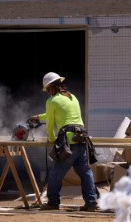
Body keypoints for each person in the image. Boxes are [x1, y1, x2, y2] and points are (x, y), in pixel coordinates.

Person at [28, 72, 98, 212]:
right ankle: (91, 202)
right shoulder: (72, 97)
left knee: (55, 173)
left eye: (47, 89)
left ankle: (53, 202)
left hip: (68, 142)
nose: (47, 92)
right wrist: (39, 117)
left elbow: (50, 124)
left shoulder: (52, 101)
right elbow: (56, 114)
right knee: (85, 172)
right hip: (81, 139)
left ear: (50, 87)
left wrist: (52, 139)